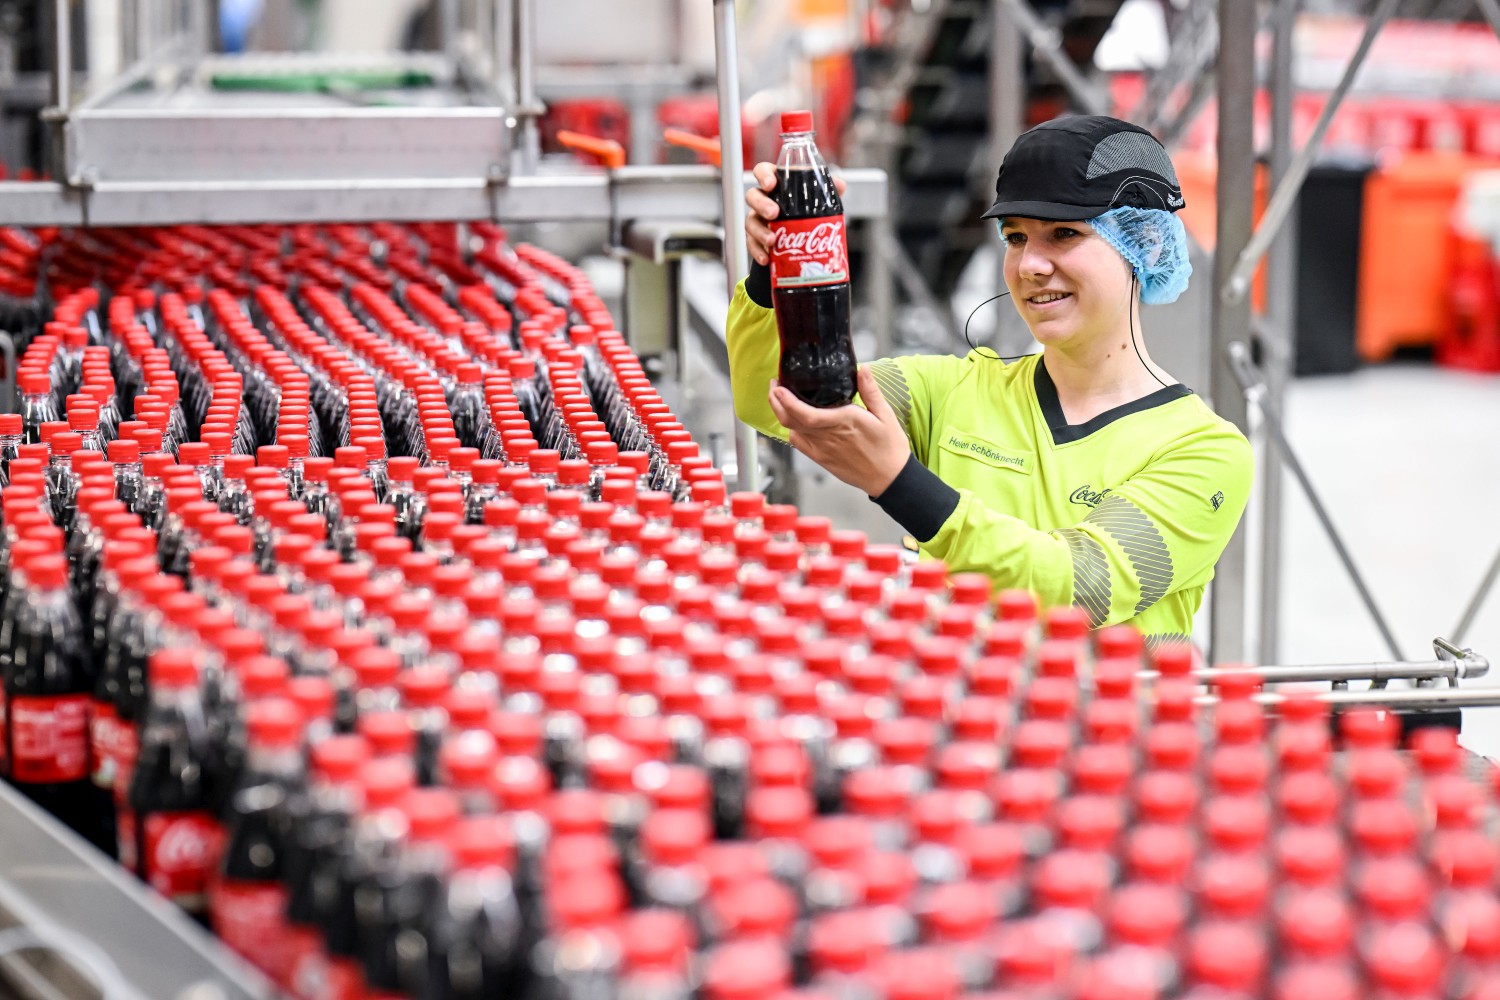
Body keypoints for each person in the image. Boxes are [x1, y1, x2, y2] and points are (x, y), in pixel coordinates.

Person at [726, 115, 1252, 647]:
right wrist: (777, 276)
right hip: (955, 719)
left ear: (1148, 245)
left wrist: (900, 484)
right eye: (1016, 237)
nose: (1031, 265)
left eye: (1064, 234)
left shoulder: (1203, 452)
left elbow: (1080, 586)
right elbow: (774, 402)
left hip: (1110, 726)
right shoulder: (949, 392)